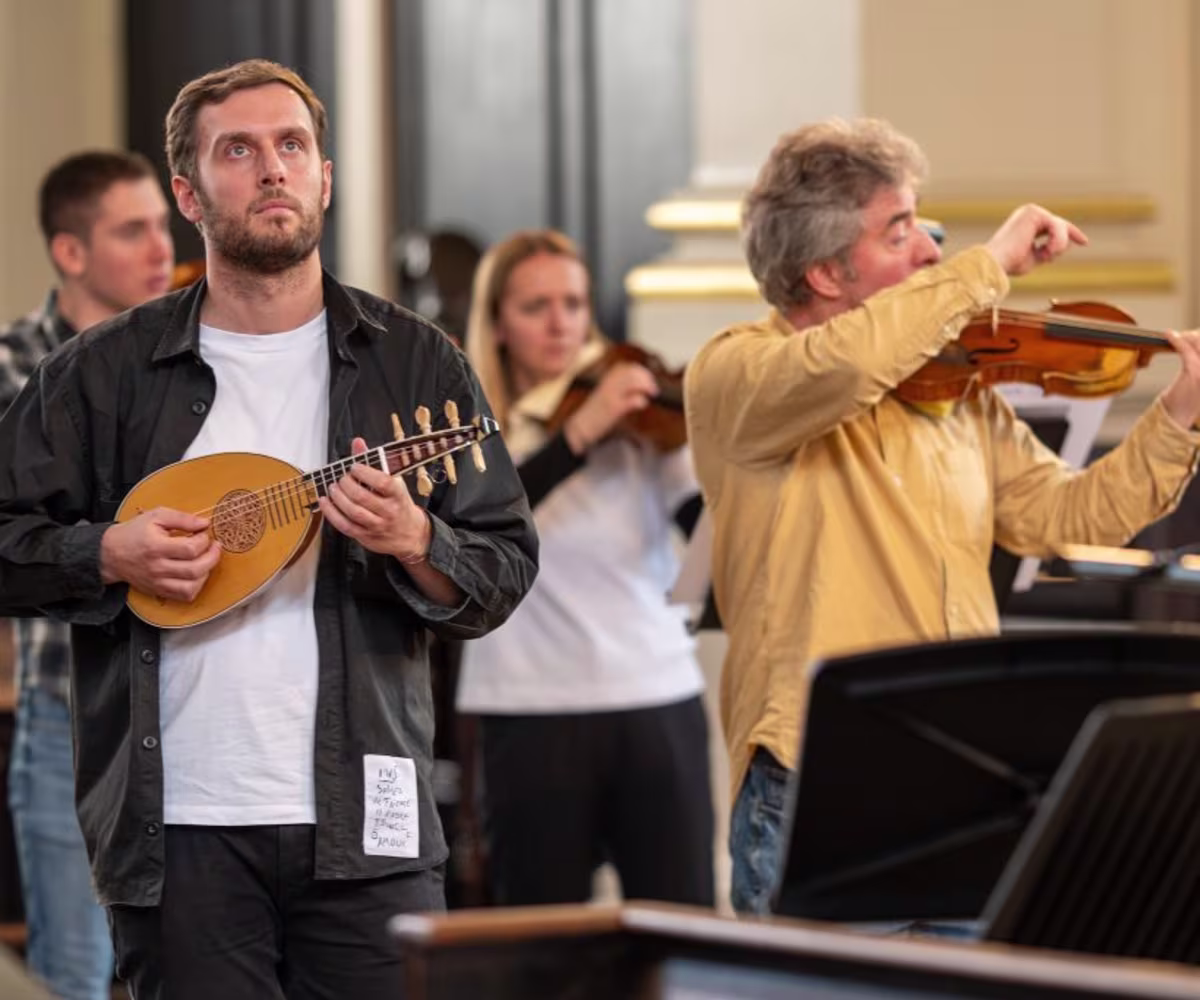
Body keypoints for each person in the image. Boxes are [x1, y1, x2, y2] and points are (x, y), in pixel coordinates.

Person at [0, 59, 537, 999]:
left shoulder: (414, 362)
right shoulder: (103, 375)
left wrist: (418, 541)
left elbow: (503, 568)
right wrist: (106, 553)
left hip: (369, 826)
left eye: (293, 145)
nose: (272, 169)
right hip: (178, 829)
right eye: (237, 150)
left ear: (325, 175)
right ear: (188, 193)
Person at [683, 118, 1200, 916]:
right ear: (825, 273)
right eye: (901, 233)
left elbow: (1072, 515)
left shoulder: (954, 393)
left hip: (962, 773)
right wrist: (986, 266)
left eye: (929, 228)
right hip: (819, 779)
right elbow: (848, 363)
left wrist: (1179, 414)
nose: (930, 250)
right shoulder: (736, 372)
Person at [457, 230, 714, 908]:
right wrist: (577, 435)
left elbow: (713, 544)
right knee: (541, 946)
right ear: (499, 325)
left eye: (573, 303)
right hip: (528, 710)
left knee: (680, 928)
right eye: (535, 305)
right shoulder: (472, 428)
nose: (560, 322)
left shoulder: (639, 419)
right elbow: (479, 519)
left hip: (654, 699)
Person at [0, 149, 174, 1000]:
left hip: (189, 705)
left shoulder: (194, 356)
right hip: (70, 712)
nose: (160, 247)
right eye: (132, 229)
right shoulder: (15, 367)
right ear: (70, 253)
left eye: (163, 225)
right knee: (74, 977)